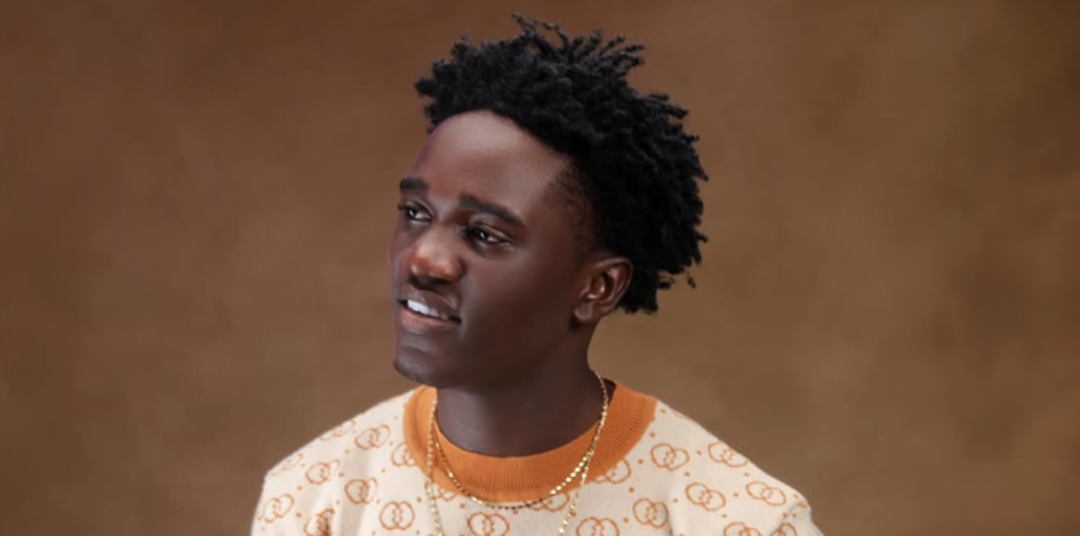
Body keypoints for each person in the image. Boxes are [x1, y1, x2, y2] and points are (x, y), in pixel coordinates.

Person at [251, 16, 821, 536]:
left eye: (483, 235)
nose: (423, 259)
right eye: (416, 214)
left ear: (597, 288)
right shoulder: (312, 501)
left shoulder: (737, 519)